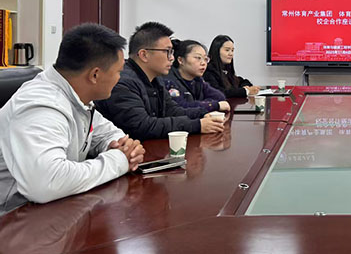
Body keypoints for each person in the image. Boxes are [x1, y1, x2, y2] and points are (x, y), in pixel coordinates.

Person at [0, 23, 145, 215]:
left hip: (51, 210)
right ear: (95, 75)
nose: (120, 78)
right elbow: (47, 183)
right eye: (118, 71)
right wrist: (119, 160)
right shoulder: (42, 105)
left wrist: (121, 146)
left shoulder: (76, 97)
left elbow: (106, 132)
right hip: (12, 217)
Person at [96, 22, 224, 141]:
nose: (172, 58)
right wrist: (197, 125)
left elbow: (173, 111)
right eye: (167, 52)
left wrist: (203, 114)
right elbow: (143, 127)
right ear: (144, 55)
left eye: (172, 52)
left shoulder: (156, 79)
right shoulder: (123, 82)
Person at [163, 39, 230, 113]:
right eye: (198, 58)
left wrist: (201, 104)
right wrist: (213, 105)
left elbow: (220, 97)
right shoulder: (169, 81)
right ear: (180, 60)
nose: (203, 63)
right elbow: (181, 107)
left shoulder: (197, 80)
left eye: (205, 59)